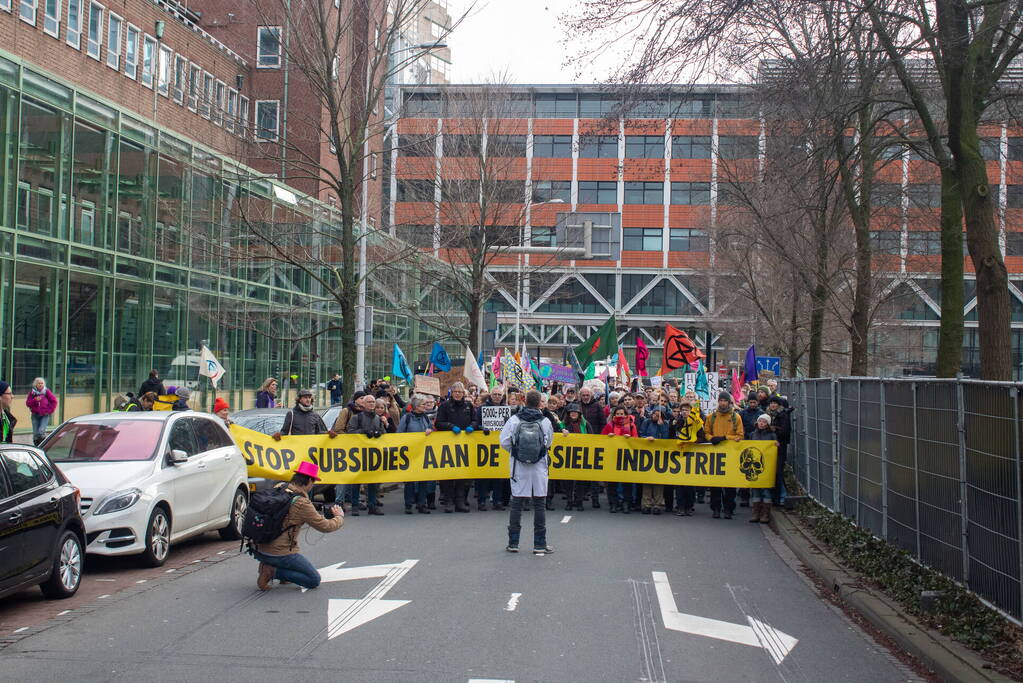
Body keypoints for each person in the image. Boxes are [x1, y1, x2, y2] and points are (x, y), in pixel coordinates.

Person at [253, 461, 344, 591]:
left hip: (259, 548)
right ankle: (272, 571)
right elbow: (325, 526)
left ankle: (279, 572)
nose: (313, 486)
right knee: (313, 580)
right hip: (279, 553)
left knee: (291, 546)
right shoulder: (301, 503)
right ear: (309, 481)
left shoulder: (280, 486)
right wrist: (339, 517)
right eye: (314, 482)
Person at [500, 390, 554, 555]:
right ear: (540, 404)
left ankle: (513, 543)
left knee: (517, 503)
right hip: (539, 466)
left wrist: (516, 453)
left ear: (524, 401)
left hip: (519, 466)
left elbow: (504, 441)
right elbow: (548, 442)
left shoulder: (514, 419)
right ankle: (539, 543)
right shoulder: (545, 421)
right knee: (539, 503)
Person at [434, 382, 476, 513]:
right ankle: (449, 502)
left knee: (462, 475)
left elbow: (475, 420)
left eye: (460, 392)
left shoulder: (469, 405)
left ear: (464, 393)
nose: (458, 394)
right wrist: (451, 426)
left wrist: (472, 427)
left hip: (465, 444)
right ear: (452, 393)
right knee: (449, 475)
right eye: (455, 392)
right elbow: (438, 423)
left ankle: (460, 501)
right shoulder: (445, 406)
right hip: (449, 444)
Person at [704, 391, 744, 519]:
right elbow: (706, 432)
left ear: (729, 402)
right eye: (720, 400)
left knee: (730, 485)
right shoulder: (711, 417)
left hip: (730, 455)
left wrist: (725, 437)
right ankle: (716, 508)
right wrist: (711, 438)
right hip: (715, 455)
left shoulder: (736, 417)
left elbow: (740, 435)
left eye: (725, 400)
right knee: (715, 484)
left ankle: (728, 509)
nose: (722, 403)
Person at [345, 393, 385, 515]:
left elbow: (384, 432)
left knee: (372, 481)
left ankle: (372, 505)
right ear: (364, 404)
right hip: (359, 454)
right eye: (369, 402)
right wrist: (363, 431)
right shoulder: (357, 418)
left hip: (373, 454)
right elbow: (350, 433)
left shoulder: (378, 418)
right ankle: (355, 506)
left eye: (373, 402)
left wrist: (380, 432)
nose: (372, 404)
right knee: (357, 481)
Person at [399, 395, 435, 514]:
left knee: (423, 479)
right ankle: (408, 504)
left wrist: (430, 430)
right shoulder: (407, 418)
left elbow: (430, 428)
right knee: (410, 480)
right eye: (423, 404)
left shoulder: (425, 417)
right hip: (410, 454)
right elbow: (399, 434)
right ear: (416, 406)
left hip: (423, 453)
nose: (426, 406)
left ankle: (421, 504)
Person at [475, 386, 508, 511]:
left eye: (499, 395)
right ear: (491, 395)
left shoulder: (505, 409)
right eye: (495, 394)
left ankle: (497, 501)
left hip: (499, 446)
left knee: (498, 476)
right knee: (484, 476)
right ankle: (481, 501)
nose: (497, 397)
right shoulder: (482, 408)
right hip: (485, 445)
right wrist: (481, 428)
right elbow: (476, 423)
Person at [602, 406, 639, 513]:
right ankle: (614, 503)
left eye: (622, 413)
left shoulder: (631, 426)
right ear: (614, 415)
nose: (620, 416)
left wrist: (630, 438)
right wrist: (607, 436)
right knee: (612, 483)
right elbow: (601, 439)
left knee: (626, 482)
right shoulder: (610, 425)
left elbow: (636, 440)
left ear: (626, 415)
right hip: (612, 457)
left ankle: (626, 503)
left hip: (626, 458)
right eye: (617, 414)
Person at [673, 398, 706, 516]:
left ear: (691, 411)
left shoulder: (697, 423)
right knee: (680, 484)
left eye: (686, 410)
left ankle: (689, 506)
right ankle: (680, 506)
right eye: (682, 410)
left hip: (692, 456)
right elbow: (672, 437)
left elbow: (703, 438)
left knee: (690, 484)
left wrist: (693, 441)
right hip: (680, 456)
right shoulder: (678, 423)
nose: (684, 412)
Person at [639, 405, 672, 514]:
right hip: (647, 455)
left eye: (658, 415)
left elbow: (666, 438)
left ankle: (657, 504)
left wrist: (661, 426)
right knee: (647, 480)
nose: (655, 416)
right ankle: (646, 504)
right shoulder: (646, 422)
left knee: (658, 481)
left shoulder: (665, 424)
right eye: (654, 414)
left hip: (660, 456)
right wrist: (646, 439)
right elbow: (640, 435)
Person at [559, 402, 591, 511]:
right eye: (571, 412)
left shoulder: (586, 425)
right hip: (566, 457)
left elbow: (593, 439)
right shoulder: (562, 425)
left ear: (579, 413)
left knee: (580, 481)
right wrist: (561, 432)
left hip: (581, 456)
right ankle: (569, 501)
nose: (573, 413)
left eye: (575, 412)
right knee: (568, 481)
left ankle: (579, 501)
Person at [578, 386, 606, 509]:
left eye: (587, 395)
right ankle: (581, 496)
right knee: (581, 472)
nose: (585, 397)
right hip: (579, 443)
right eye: (583, 395)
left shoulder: (597, 407)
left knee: (594, 473)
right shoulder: (576, 406)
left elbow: (603, 423)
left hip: (594, 443)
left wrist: (599, 438)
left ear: (591, 395)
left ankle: (595, 499)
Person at [748, 414, 777, 524]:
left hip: (766, 466)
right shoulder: (752, 434)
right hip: (754, 467)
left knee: (766, 491)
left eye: (764, 422)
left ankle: (765, 514)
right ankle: (756, 513)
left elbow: (774, 449)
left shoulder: (772, 435)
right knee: (755, 490)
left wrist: (776, 445)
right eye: (760, 421)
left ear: (768, 424)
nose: (761, 423)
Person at [767, 396, 792, 507]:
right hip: (768, 447)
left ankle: (783, 496)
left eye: (775, 403)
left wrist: (775, 430)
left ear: (779, 405)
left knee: (778, 472)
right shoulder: (767, 415)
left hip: (780, 446)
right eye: (771, 403)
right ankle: (774, 497)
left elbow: (785, 431)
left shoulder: (783, 415)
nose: (772, 405)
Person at [26, 377, 58, 446]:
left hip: (44, 415)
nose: (40, 385)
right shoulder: (32, 393)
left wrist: (49, 410)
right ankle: (36, 446)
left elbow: (54, 401)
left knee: (41, 431)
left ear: (44, 384)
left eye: (42, 383)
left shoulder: (46, 391)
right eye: (39, 383)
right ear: (35, 385)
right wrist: (35, 400)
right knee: (36, 433)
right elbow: (28, 403)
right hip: (35, 415)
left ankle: (44, 445)